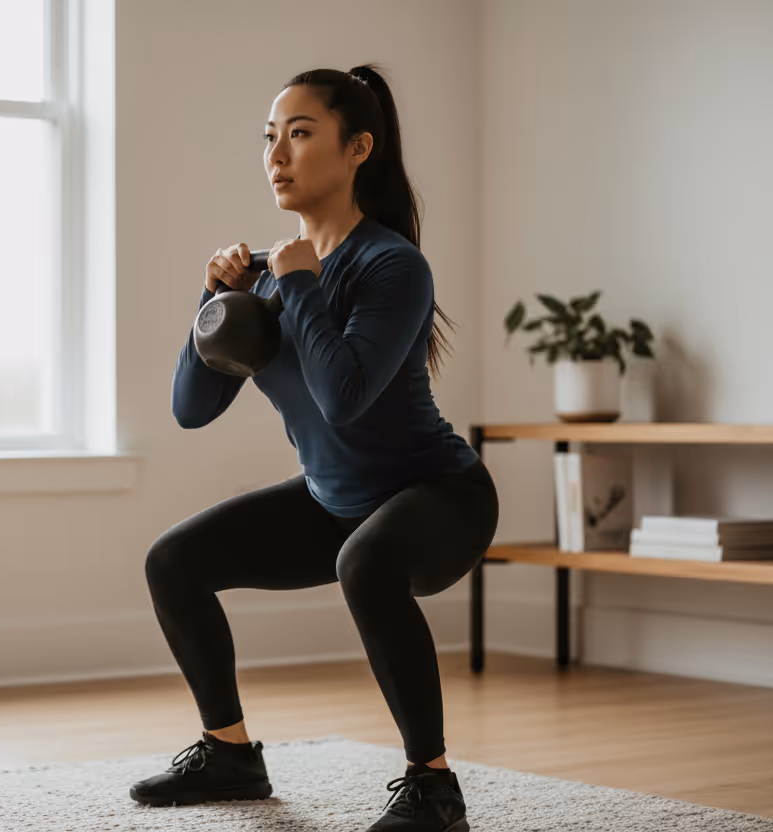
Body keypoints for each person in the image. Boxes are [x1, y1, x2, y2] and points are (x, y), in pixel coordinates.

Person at [129, 64, 499, 832]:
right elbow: (191, 409)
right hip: (336, 501)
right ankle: (229, 753)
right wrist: (215, 302)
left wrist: (297, 284)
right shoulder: (266, 280)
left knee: (363, 561)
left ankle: (433, 788)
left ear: (358, 147)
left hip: (439, 498)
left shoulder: (392, 264)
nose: (278, 156)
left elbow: (344, 395)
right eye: (271, 139)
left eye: (300, 135)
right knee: (174, 560)